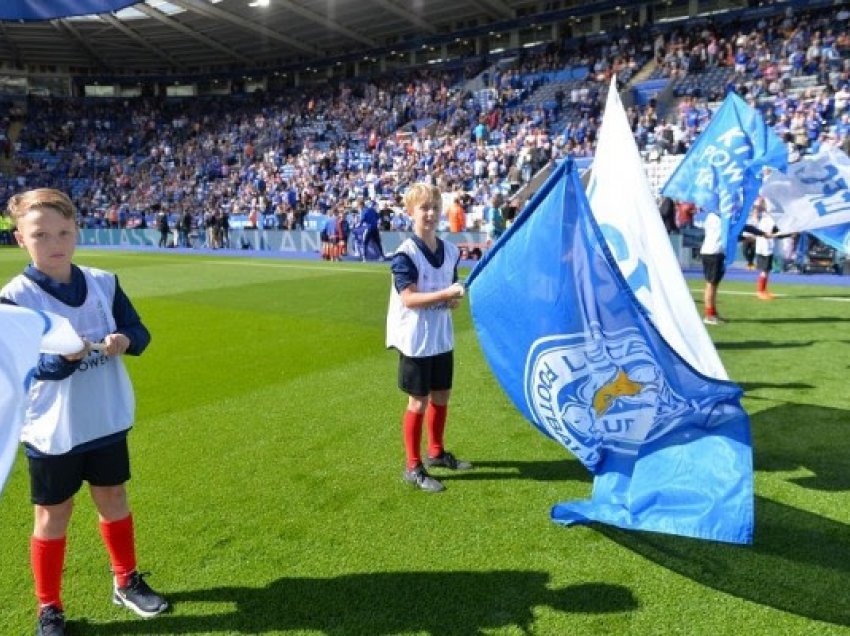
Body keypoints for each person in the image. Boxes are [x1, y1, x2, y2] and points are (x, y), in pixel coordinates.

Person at [0, 189, 168, 636]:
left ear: (77, 232)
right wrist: (60, 361)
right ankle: (49, 607)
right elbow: (16, 370)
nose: (54, 242)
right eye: (40, 234)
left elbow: (140, 331)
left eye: (63, 231)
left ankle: (126, 581)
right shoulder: (13, 299)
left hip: (105, 416)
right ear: (20, 239)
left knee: (113, 499)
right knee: (53, 515)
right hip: (52, 428)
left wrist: (125, 340)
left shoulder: (103, 281)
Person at [386, 183, 471, 493]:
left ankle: (436, 452)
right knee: (418, 402)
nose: (431, 213)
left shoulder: (450, 251)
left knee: (442, 396)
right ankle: (413, 465)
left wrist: (453, 299)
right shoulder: (404, 254)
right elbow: (408, 298)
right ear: (411, 213)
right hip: (416, 339)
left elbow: (451, 295)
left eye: (435, 207)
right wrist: (446, 293)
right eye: (424, 208)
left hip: (441, 336)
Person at [754, 198, 780, 300]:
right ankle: (761, 291)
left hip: (764, 245)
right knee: (765, 269)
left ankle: (763, 290)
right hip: (765, 246)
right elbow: (775, 232)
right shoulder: (770, 219)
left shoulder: (765, 219)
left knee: (766, 270)